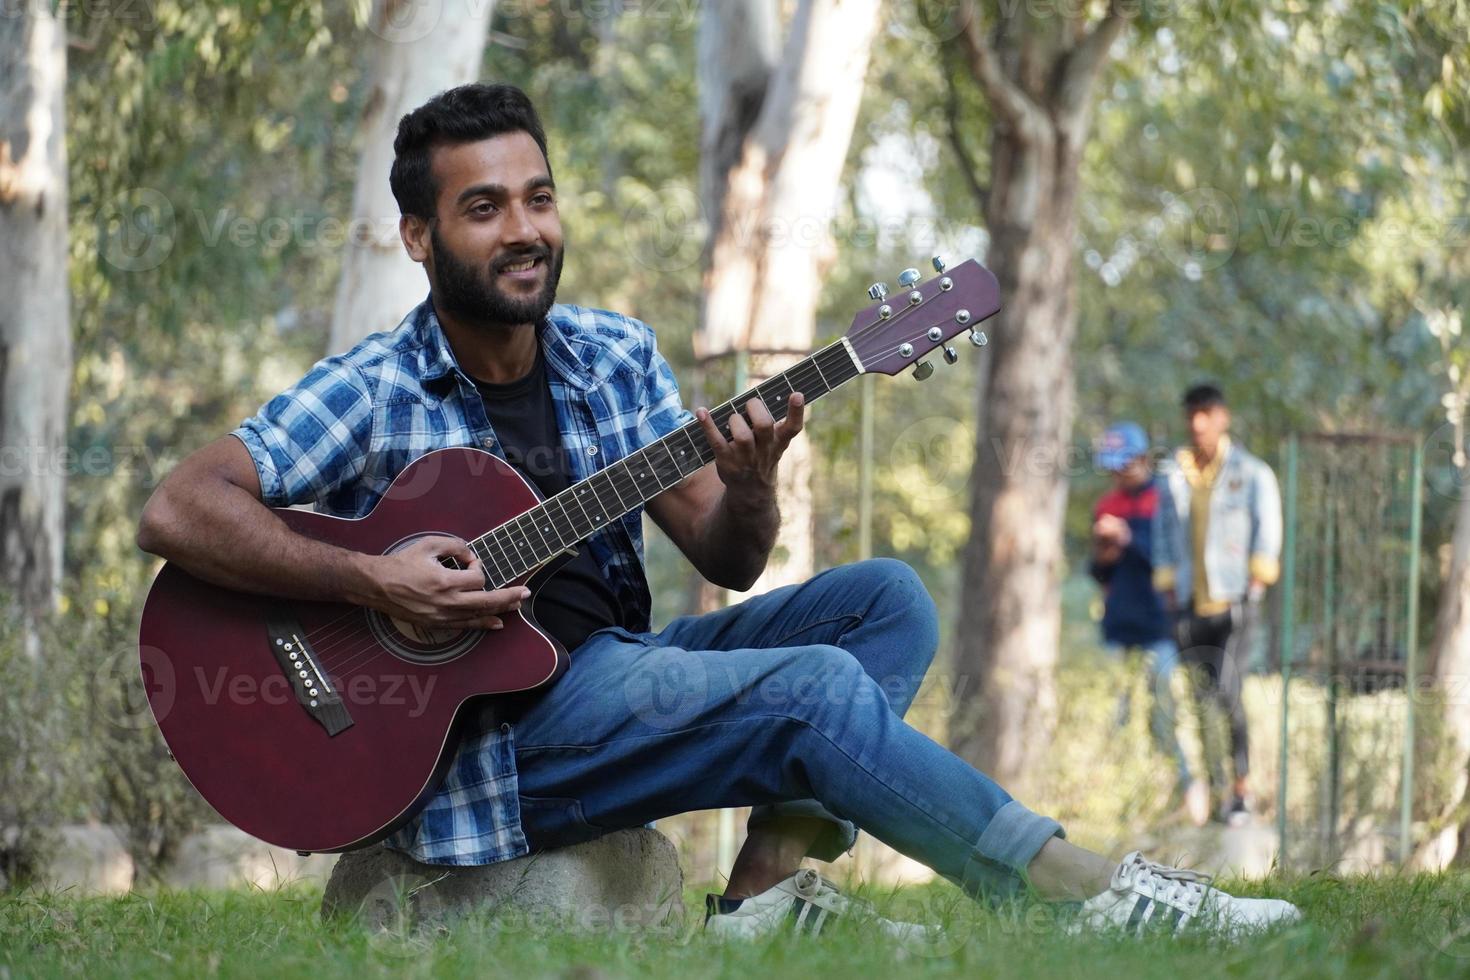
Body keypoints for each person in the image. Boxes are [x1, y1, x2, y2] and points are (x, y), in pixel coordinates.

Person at [135, 84, 1298, 940]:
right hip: (492, 748)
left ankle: (756, 904)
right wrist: (368, 582)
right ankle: (1081, 892)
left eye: (538, 198)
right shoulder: (374, 386)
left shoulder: (612, 355)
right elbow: (178, 508)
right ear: (421, 236)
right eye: (483, 207)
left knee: (883, 604)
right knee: (810, 691)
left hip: (621, 670)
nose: (524, 229)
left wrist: (751, 481)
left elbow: (731, 559)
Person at [1153, 385, 1282, 827]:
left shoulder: (1251, 472)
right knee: (1200, 696)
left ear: (1222, 417)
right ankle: (1210, 788)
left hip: (1235, 600)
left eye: (1206, 414)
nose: (1198, 423)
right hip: (1191, 601)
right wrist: (1168, 582)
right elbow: (1163, 530)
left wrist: (1256, 577)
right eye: (1191, 414)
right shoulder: (1173, 473)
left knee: (1228, 689)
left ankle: (1241, 789)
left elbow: (1268, 527)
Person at [1089, 422, 1207, 827]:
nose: (1119, 473)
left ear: (1141, 459)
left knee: (1165, 712)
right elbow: (1100, 574)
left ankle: (1186, 793)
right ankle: (1122, 800)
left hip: (1159, 624)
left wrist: (1128, 540)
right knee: (1117, 716)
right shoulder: (1106, 505)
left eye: (1125, 464)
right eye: (1113, 466)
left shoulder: (1164, 499)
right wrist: (1105, 556)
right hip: (1118, 626)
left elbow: (1170, 560)